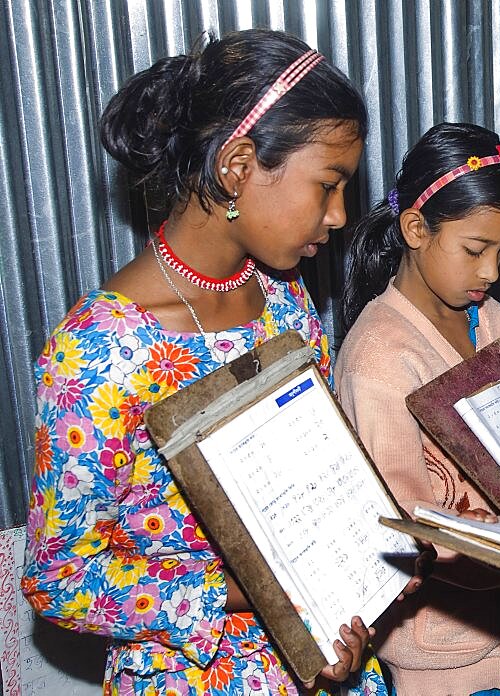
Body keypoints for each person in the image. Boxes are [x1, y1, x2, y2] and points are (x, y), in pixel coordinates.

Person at [22, 29, 387, 695]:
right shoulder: (98, 352)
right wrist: (249, 593)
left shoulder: (284, 299)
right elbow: (59, 577)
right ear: (239, 166)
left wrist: (350, 597)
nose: (339, 216)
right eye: (328, 185)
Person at [334, 123, 500, 696]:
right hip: (446, 659)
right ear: (415, 229)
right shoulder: (381, 357)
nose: (491, 272)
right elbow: (408, 528)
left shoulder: (491, 320)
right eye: (475, 250)